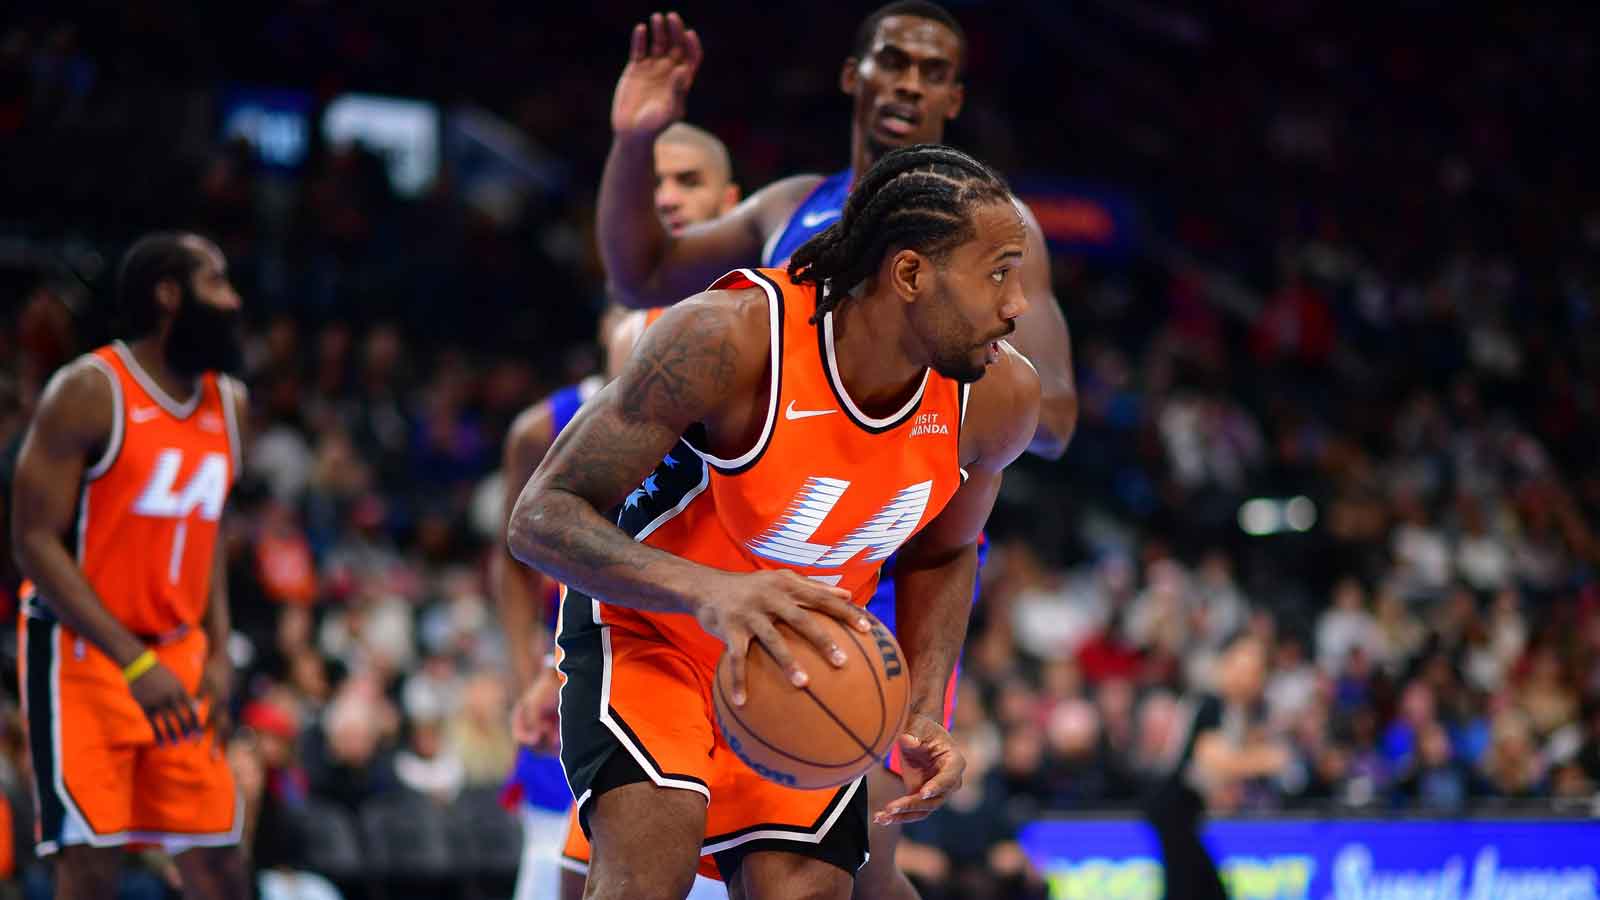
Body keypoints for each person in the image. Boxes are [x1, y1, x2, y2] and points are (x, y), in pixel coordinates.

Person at [598, 10, 1076, 895]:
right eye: (892, 61)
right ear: (853, 76)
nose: (909, 82)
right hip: (744, 551)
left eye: (933, 70)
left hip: (874, 568)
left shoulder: (993, 243)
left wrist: (927, 379)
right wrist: (635, 144)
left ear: (955, 97)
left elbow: (1055, 415)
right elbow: (639, 274)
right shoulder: (790, 211)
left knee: (860, 861)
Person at [508, 144, 1040, 900]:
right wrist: (713, 592)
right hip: (652, 633)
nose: (1019, 304)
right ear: (910, 274)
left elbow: (945, 551)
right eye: (999, 273)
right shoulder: (729, 337)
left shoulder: (1000, 399)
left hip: (804, 667)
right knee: (648, 873)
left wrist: (923, 710)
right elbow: (540, 515)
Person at [496, 123, 742, 900]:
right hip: (640, 653)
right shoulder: (600, 380)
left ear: (735, 205)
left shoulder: (775, 331)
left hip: (743, 651)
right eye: (654, 183)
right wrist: (538, 668)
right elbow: (547, 544)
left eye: (688, 182)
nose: (668, 198)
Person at [12, 233, 251, 900]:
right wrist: (134, 663)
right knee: (92, 867)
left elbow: (207, 532)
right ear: (168, 295)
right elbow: (32, 541)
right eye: (217, 284)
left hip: (179, 658)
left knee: (221, 866)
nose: (234, 302)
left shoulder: (231, 404)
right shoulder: (90, 390)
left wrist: (218, 649)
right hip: (85, 657)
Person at [1145, 632, 1289, 900]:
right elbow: (1211, 758)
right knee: (1194, 888)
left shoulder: (1233, 710)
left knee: (1200, 888)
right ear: (1226, 665)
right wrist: (1264, 760)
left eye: (1256, 671)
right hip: (1172, 806)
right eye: (1244, 669)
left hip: (1186, 811)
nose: (1250, 679)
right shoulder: (1211, 702)